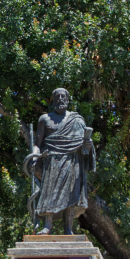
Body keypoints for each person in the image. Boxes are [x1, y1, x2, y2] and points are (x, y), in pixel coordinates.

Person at [25, 88, 96, 234]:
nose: (60, 99)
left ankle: (68, 228)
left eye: (63, 96)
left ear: (68, 100)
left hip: (72, 160)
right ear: (53, 100)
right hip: (52, 161)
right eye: (57, 97)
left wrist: (88, 146)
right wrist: (34, 156)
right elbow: (38, 143)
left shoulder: (77, 120)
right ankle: (47, 226)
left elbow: (84, 144)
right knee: (49, 193)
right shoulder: (44, 119)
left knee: (71, 194)